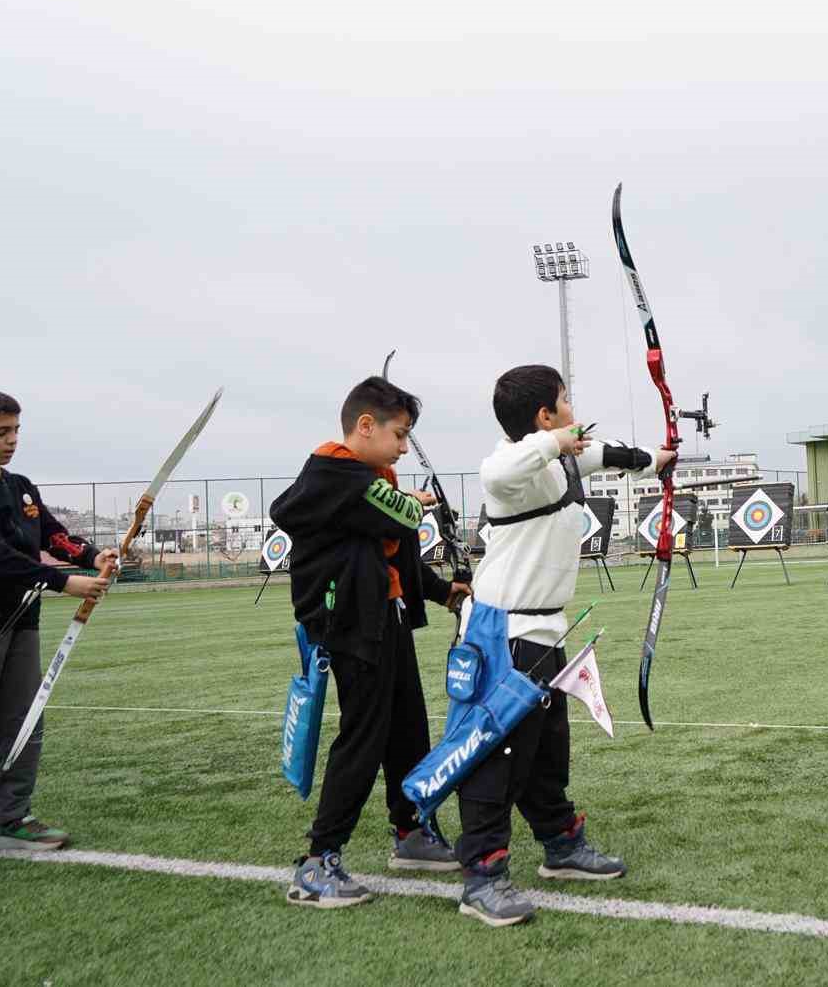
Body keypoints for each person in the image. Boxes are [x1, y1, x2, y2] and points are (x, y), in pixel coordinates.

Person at [453, 364, 672, 927]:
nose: (574, 408)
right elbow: (501, 470)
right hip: (502, 636)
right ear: (544, 416)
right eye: (564, 401)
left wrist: (655, 458)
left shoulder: (555, 460)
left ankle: (561, 845)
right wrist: (555, 442)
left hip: (545, 633)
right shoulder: (509, 468)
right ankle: (481, 875)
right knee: (495, 756)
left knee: (547, 751)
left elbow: (602, 456)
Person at [270, 376, 470, 907]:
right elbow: (402, 515)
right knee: (364, 734)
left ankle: (410, 830)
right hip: (352, 623)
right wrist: (413, 501)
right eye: (399, 435)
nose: (404, 447)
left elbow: (395, 553)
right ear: (365, 426)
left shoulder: (372, 481)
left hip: (387, 616)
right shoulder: (335, 472)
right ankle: (318, 862)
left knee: (406, 727)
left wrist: (441, 591)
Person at [0, 387, 115, 851]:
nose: (12, 440)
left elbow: (51, 534)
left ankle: (14, 817)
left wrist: (92, 556)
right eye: (0, 432)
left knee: (24, 722)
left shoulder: (21, 487)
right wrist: (63, 583)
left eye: (16, 430)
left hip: (22, 623)